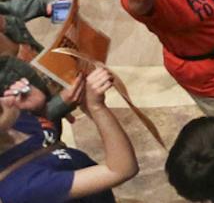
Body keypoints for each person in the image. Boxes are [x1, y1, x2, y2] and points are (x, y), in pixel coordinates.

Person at [0, 64, 138, 202]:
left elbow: (44, 140)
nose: (7, 99)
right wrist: (96, 107)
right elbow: (121, 170)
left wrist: (40, 110)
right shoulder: (25, 187)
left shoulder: (17, 120)